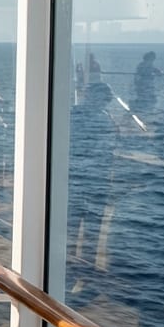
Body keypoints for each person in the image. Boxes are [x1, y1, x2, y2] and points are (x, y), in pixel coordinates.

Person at [67, 82, 118, 266]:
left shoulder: (71, 115)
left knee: (77, 226)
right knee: (80, 227)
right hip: (86, 182)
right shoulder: (106, 120)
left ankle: (77, 263)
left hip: (90, 182)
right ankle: (80, 263)